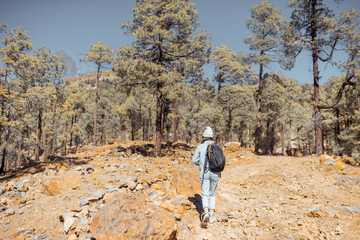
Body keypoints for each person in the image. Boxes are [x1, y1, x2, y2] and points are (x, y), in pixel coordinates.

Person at [192, 126, 220, 227]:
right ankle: (212, 216)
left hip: (204, 172)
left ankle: (206, 212)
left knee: (205, 194)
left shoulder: (200, 147)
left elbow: (194, 160)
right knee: (212, 194)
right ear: (212, 137)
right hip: (216, 173)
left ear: (204, 137)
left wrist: (201, 164)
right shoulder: (217, 146)